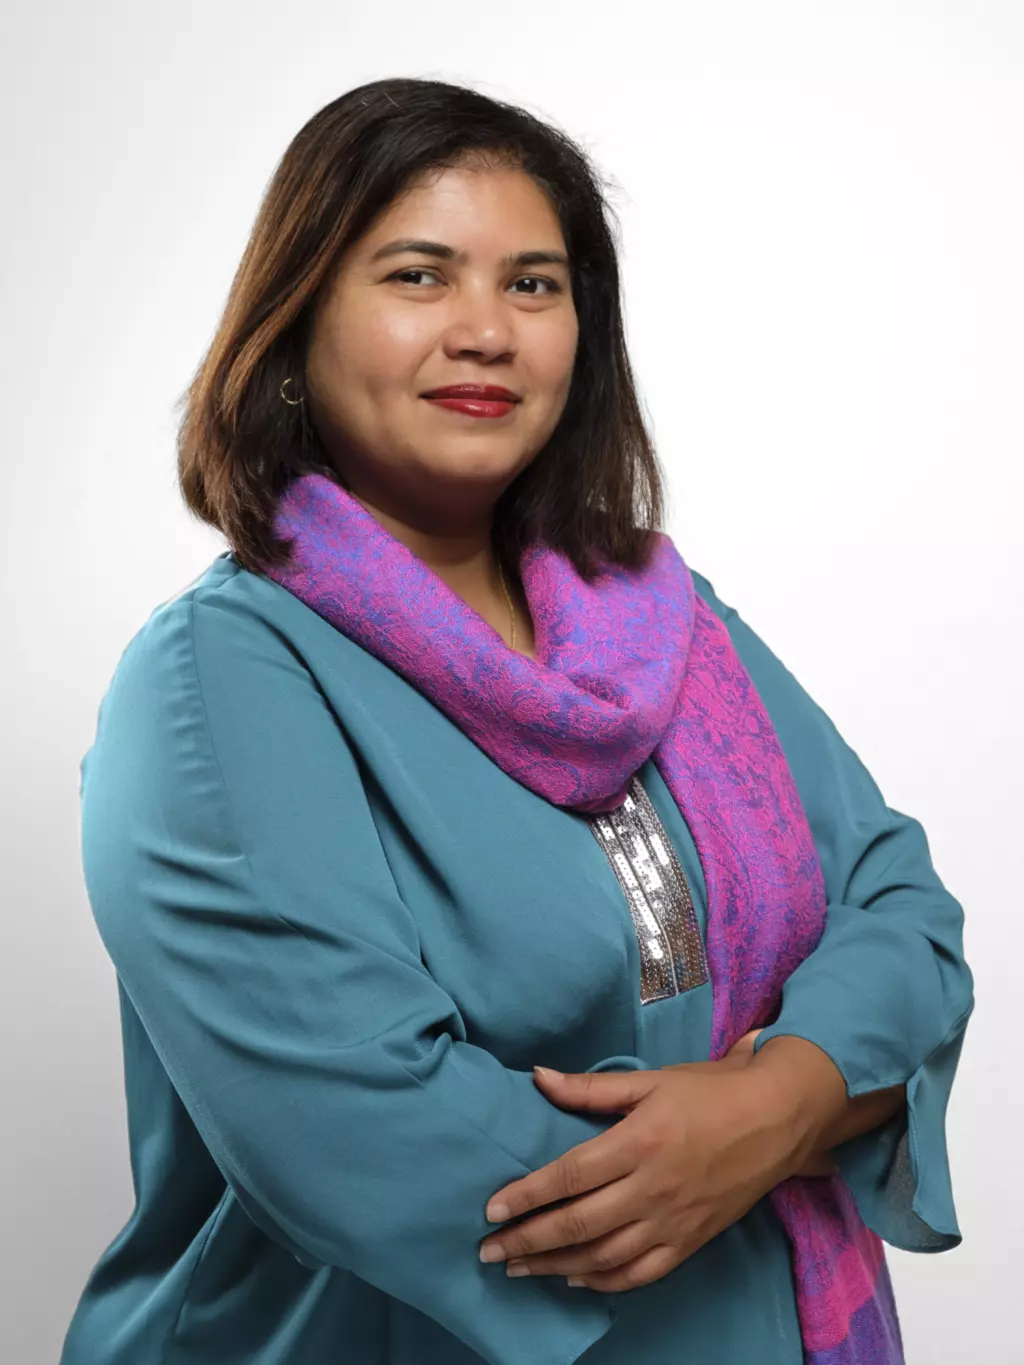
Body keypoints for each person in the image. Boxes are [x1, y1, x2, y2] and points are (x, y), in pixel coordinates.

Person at [59, 77, 973, 1365]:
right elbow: (360, 1126)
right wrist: (780, 1129)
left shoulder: (665, 623)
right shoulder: (220, 682)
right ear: (299, 317)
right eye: (419, 276)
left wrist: (782, 1098)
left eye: (534, 285)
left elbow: (903, 909)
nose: (486, 331)